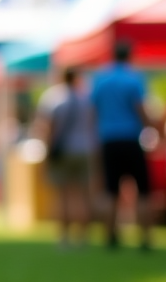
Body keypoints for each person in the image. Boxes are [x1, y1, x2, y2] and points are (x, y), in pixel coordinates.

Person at [90, 42, 153, 250]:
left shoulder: (101, 79)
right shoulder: (134, 78)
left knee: (110, 190)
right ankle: (145, 238)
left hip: (108, 140)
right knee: (143, 190)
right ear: (129, 56)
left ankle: (110, 235)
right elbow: (141, 109)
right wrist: (152, 130)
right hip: (131, 139)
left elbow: (93, 111)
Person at [35, 67, 95, 248]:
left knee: (62, 196)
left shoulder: (53, 98)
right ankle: (83, 237)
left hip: (62, 151)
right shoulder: (86, 98)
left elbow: (47, 128)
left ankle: (64, 237)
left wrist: (47, 152)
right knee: (82, 195)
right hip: (84, 150)